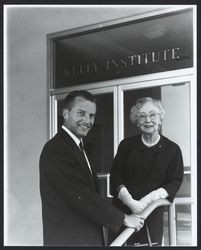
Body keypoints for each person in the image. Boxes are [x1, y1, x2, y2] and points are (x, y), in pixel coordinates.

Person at [39, 90, 144, 246]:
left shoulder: (78, 147)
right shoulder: (56, 149)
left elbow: (88, 194)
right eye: (81, 113)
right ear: (65, 113)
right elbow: (81, 195)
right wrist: (123, 218)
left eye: (91, 116)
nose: (87, 121)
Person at [110, 97, 184, 246]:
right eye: (142, 116)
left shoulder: (172, 150)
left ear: (161, 118)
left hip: (151, 217)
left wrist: (147, 201)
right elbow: (115, 177)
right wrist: (130, 201)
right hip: (123, 214)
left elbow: (174, 181)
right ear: (137, 121)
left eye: (152, 115)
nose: (148, 120)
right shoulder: (126, 145)